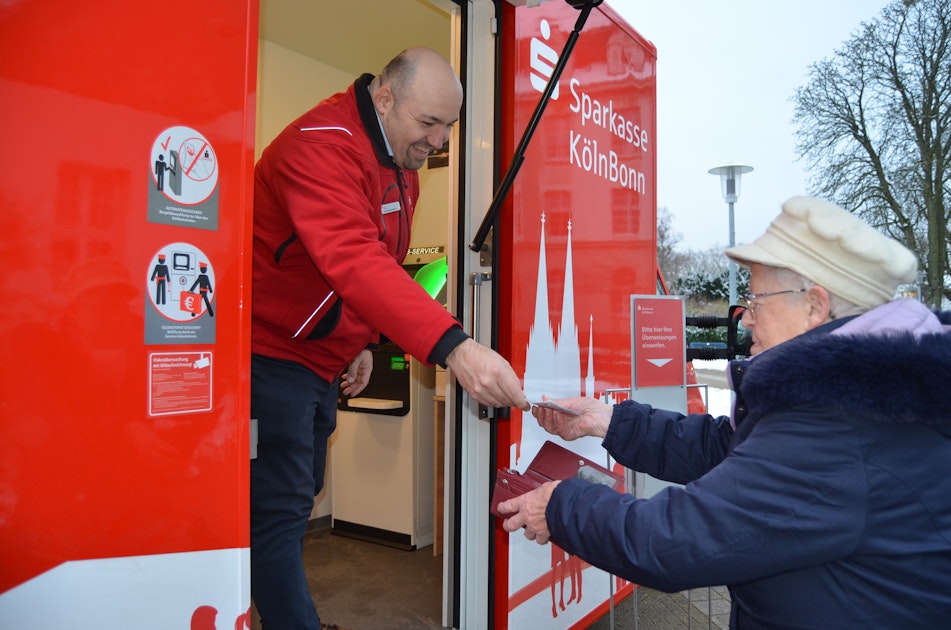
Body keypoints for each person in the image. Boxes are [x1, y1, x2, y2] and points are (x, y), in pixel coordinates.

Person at [498, 196, 951, 627]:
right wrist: (609, 421)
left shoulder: (838, 426)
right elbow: (729, 448)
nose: (746, 318)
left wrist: (560, 505)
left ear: (815, 305)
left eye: (756, 301)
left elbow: (673, 541)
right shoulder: (860, 394)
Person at [251, 48, 528, 630]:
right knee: (274, 515)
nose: (438, 140)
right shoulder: (320, 146)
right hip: (271, 357)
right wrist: (455, 346)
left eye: (448, 126)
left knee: (300, 497)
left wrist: (360, 342)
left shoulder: (400, 159)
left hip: (323, 360)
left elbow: (383, 260)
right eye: (429, 123)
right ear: (384, 98)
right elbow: (351, 259)